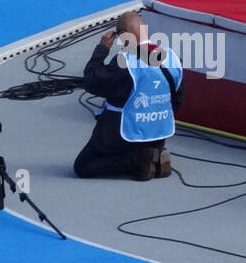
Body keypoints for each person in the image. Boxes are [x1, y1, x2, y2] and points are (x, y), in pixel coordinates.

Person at [73, 11, 184, 181]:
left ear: (125, 35)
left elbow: (92, 81)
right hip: (159, 130)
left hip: (125, 130)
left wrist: (102, 49)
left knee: (84, 165)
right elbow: (177, 100)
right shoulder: (172, 57)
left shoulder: (126, 62)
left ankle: (138, 161)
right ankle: (155, 154)